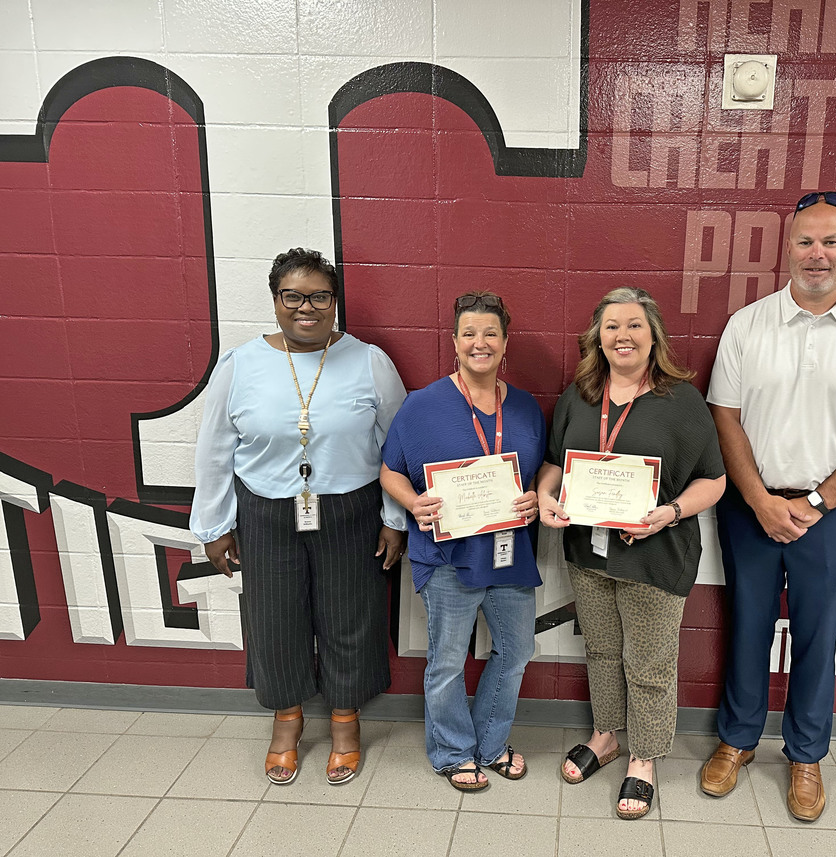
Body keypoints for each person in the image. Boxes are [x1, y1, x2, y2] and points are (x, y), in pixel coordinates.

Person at [702, 192, 836, 821]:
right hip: (751, 504)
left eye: (830, 242)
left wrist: (817, 501)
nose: (816, 254)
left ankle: (806, 754)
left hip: (834, 508)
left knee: (819, 636)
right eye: (805, 241)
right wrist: (761, 499)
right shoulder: (747, 324)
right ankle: (738, 740)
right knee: (746, 625)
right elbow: (725, 419)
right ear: (787, 247)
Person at [190, 247, 407, 786]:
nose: (306, 307)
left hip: (351, 511)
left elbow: (397, 448)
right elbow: (215, 448)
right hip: (265, 511)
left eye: (319, 296)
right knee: (275, 617)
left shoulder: (370, 361)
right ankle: (286, 722)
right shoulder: (240, 365)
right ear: (275, 301)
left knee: (350, 617)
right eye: (293, 296)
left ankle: (344, 721)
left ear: (334, 302)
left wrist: (394, 518)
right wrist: (214, 526)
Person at [537, 287, 726, 820]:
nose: (623, 335)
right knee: (600, 651)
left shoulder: (679, 400)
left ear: (653, 335)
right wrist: (548, 495)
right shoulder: (581, 393)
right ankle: (605, 736)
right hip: (588, 553)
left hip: (655, 555)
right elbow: (555, 461)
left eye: (634, 325)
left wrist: (670, 512)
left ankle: (643, 757)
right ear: (598, 336)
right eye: (612, 326)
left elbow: (713, 480)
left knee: (648, 664)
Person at [380, 291, 545, 792]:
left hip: (508, 554)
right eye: (469, 333)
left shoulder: (526, 408)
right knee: (448, 660)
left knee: (515, 652)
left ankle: (491, 745)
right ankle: (452, 752)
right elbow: (389, 471)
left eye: (490, 333)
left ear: (505, 342)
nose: (480, 343)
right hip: (447, 556)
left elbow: (538, 477)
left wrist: (536, 497)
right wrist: (413, 503)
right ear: (454, 341)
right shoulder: (421, 406)